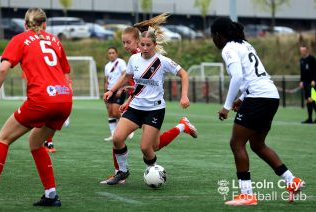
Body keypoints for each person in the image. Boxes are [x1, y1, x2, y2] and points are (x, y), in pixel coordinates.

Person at [0, 8, 72, 207]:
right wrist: (63, 99)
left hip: (42, 100)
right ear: (45, 25)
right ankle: (50, 195)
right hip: (64, 99)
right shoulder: (55, 41)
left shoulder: (20, 39)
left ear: (25, 25)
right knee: (36, 143)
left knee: (3, 139)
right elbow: (67, 74)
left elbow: (4, 68)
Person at [211, 17, 304, 206]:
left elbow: (237, 77)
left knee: (236, 144)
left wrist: (226, 106)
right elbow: (253, 77)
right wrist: (242, 98)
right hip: (270, 96)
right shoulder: (245, 44)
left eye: (213, 37)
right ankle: (291, 181)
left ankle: (247, 195)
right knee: (258, 144)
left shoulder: (229, 48)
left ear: (217, 35)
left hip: (259, 98)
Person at [101, 14, 197, 186]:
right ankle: (122, 173)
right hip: (136, 108)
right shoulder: (133, 59)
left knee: (148, 148)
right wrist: (112, 90)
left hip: (154, 109)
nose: (144, 48)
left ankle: (154, 173)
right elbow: (128, 76)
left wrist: (184, 95)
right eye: (142, 45)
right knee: (117, 138)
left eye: (148, 45)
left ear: (153, 45)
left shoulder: (162, 61)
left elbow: (183, 73)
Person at [103, 47, 127, 141]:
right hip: (109, 91)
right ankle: (113, 134)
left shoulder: (121, 62)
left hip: (118, 90)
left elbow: (125, 75)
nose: (111, 54)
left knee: (116, 112)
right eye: (109, 53)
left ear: (117, 54)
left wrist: (121, 89)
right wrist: (105, 92)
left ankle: (127, 127)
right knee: (110, 113)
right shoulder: (107, 66)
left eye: (113, 53)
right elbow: (106, 80)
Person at [299, 44, 316, 124]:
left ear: (307, 50)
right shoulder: (301, 60)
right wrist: (301, 81)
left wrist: (314, 80)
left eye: (303, 50)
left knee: (313, 100)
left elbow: (315, 70)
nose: (302, 52)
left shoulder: (312, 59)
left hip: (312, 83)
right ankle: (310, 118)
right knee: (308, 101)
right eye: (301, 50)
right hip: (305, 83)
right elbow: (302, 72)